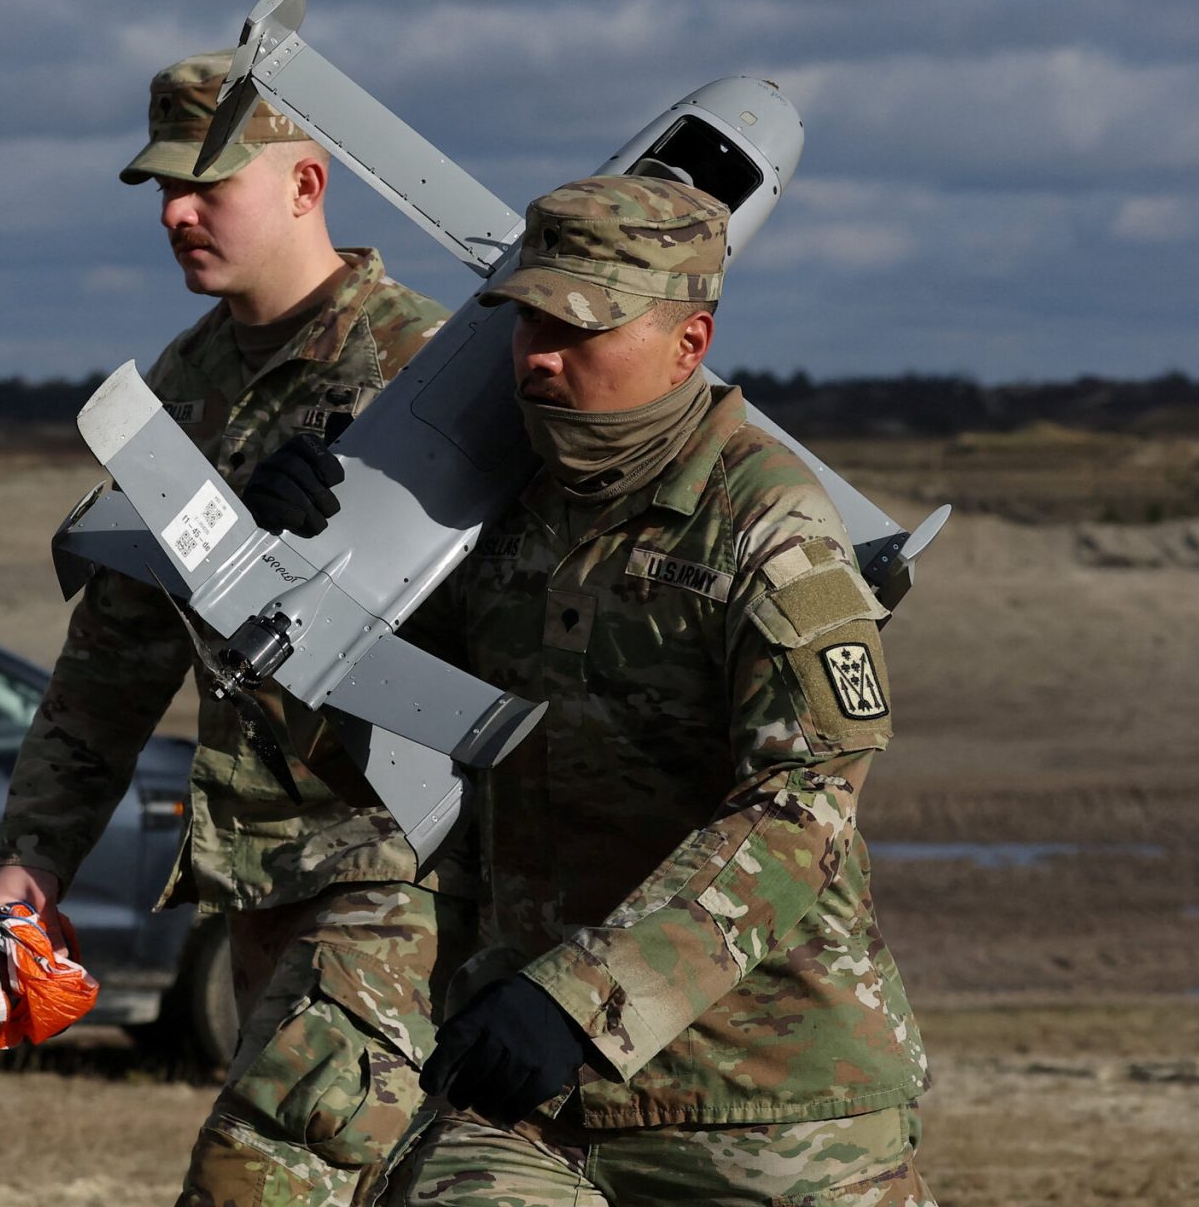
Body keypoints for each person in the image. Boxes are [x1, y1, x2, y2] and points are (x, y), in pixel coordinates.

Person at [246, 176, 931, 1206]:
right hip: (534, 1105)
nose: (539, 362)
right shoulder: (490, 513)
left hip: (771, 1103)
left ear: (687, 342)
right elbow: (356, 749)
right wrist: (302, 559)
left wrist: (576, 999)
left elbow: (800, 812)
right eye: (525, 327)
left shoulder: (770, 528)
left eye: (579, 331)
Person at [0, 50, 459, 1207]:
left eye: (208, 184)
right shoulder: (179, 398)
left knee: (262, 1182)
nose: (177, 213)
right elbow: (113, 665)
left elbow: (531, 621)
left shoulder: (429, 371)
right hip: (262, 889)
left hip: (402, 874)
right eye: (160, 192)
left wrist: (342, 551)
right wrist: (30, 858)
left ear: (306, 183)